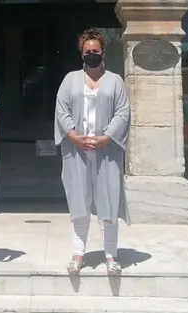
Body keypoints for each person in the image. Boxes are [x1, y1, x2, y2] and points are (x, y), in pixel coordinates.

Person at [54, 28, 131, 276]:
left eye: (95, 51)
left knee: (109, 202)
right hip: (76, 150)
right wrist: (74, 136)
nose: (91, 55)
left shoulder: (116, 81)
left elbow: (123, 111)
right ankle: (78, 254)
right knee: (79, 202)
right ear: (81, 54)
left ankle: (111, 256)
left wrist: (106, 137)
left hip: (106, 151)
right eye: (87, 52)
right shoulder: (70, 80)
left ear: (103, 52)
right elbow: (62, 109)